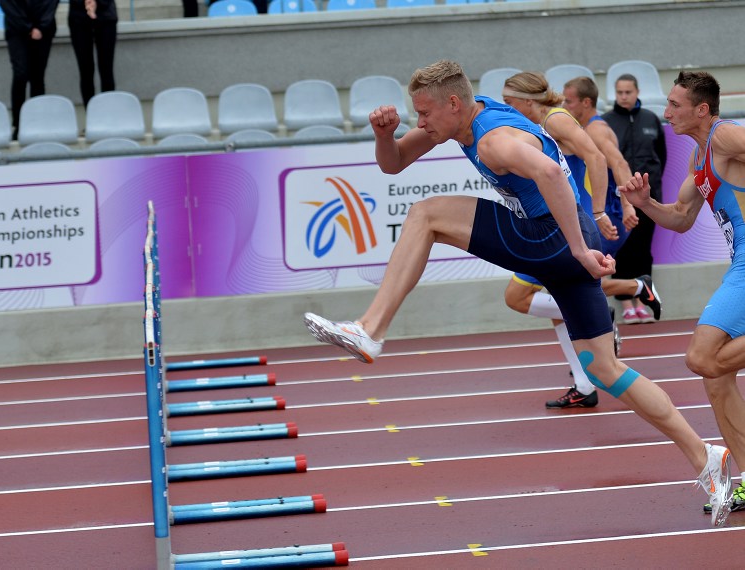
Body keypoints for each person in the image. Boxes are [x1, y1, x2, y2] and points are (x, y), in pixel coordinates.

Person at [303, 59, 732, 526]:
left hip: (553, 237)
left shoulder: (491, 137)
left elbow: (550, 173)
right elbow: (394, 164)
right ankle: (704, 455)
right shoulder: (458, 119)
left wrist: (579, 250)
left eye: (423, 113)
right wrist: (385, 135)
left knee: (427, 215)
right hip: (571, 240)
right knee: (603, 368)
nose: (419, 122)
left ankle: (370, 329)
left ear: (453, 103)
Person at [622, 69, 745, 519]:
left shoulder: (727, 136)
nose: (667, 111)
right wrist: (645, 205)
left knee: (700, 358)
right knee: (714, 375)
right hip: (740, 268)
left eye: (675, 104)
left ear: (702, 109)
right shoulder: (699, 162)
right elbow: (679, 217)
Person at [499, 72, 659, 409]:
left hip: (572, 224)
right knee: (563, 301)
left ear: (528, 101)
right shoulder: (538, 123)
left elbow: (603, 158)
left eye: (509, 102)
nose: (505, 108)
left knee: (518, 297)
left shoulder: (557, 120)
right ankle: (584, 384)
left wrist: (604, 211)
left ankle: (628, 291)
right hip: (556, 222)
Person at [604, 73, 668, 325]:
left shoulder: (650, 119)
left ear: (637, 91)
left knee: (643, 250)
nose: (623, 97)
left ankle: (643, 300)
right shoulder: (606, 122)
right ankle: (627, 305)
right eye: (619, 92)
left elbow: (660, 156)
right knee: (622, 250)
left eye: (628, 92)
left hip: (648, 199)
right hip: (618, 201)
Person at [0, 0, 60, 139]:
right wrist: (28, 28)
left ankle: (38, 121)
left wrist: (41, 27)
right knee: (21, 74)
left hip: (43, 30)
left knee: (37, 77)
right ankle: (19, 123)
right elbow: (7, 4)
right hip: (17, 31)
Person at [68, 0, 118, 107]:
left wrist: (97, 2)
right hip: (78, 18)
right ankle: (90, 115)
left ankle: (109, 114)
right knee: (86, 71)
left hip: (106, 16)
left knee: (106, 70)